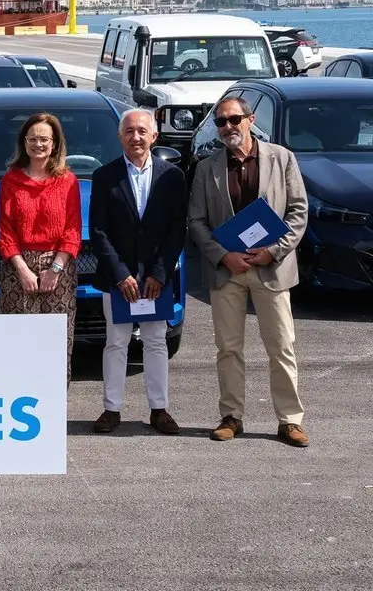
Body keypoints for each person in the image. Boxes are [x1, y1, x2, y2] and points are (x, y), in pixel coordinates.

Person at [188, 96, 310, 447]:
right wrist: (223, 256)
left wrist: (272, 251)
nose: (227, 127)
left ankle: (290, 420)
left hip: (271, 268)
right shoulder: (207, 167)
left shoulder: (281, 158)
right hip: (228, 271)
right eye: (221, 122)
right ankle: (231, 416)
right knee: (228, 348)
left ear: (250, 119)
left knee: (282, 346)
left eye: (234, 119)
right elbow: (195, 221)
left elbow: (298, 212)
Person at [88, 109, 187, 435]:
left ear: (154, 136)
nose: (136, 137)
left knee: (156, 342)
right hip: (119, 280)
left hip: (155, 281)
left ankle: (159, 410)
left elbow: (177, 230)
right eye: (129, 131)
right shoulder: (105, 176)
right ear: (120, 137)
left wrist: (159, 273)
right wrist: (120, 275)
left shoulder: (172, 177)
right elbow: (98, 231)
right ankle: (111, 410)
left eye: (142, 131)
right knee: (116, 343)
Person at [0, 112, 81, 385]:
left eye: (44, 139)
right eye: (32, 138)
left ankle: (53, 406)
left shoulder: (68, 181)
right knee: (18, 342)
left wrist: (54, 269)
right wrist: (22, 269)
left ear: (55, 143)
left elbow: (72, 230)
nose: (38, 144)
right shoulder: (11, 181)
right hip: (18, 269)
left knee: (55, 342)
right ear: (24, 142)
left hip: (59, 270)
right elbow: (5, 230)